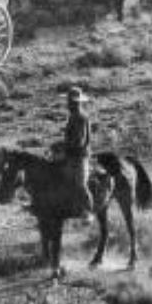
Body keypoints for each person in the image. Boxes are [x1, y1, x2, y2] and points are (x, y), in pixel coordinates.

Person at [58, 86, 93, 217]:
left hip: (79, 156)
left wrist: (65, 146)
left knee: (80, 184)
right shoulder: (73, 116)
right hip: (71, 154)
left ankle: (88, 211)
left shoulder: (81, 117)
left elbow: (80, 141)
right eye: (68, 101)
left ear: (76, 103)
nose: (67, 104)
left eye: (69, 101)